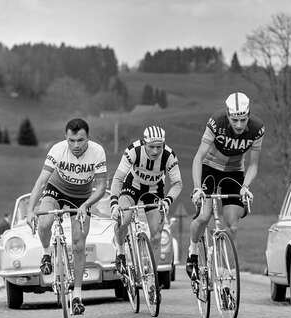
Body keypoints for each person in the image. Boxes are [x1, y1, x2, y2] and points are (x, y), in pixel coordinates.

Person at [26, 118, 107, 315]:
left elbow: (102, 187)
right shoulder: (57, 150)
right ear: (66, 138)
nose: (76, 145)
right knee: (44, 222)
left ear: (88, 138)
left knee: (79, 244)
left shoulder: (97, 151)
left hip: (82, 197)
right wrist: (30, 210)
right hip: (56, 189)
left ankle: (77, 295)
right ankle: (47, 253)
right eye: (72, 141)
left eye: (80, 140)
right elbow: (41, 181)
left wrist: (87, 205)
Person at [187, 92, 265, 277]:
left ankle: (226, 269)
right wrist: (198, 188)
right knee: (204, 216)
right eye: (234, 120)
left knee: (232, 224)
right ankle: (192, 251)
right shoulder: (216, 122)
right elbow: (198, 157)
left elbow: (254, 165)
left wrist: (245, 186)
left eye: (243, 120)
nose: (239, 125)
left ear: (249, 116)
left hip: (234, 171)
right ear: (228, 115)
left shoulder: (257, 129)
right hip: (210, 168)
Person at [110, 125, 183, 276]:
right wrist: (114, 203)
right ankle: (120, 251)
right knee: (125, 217)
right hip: (133, 186)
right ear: (144, 143)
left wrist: (168, 200)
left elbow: (178, 184)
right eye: (151, 147)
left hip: (154, 190)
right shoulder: (133, 151)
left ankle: (152, 277)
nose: (156, 151)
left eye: (159, 147)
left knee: (157, 234)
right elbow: (118, 178)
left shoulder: (169, 155)